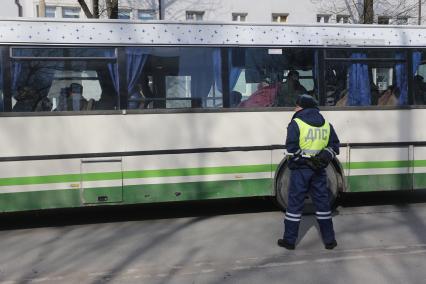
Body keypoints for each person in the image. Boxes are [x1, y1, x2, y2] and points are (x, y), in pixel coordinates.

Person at [278, 94, 340, 250]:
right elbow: (334, 147)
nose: (294, 108)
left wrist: (305, 160)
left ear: (302, 107)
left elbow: (291, 150)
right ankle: (330, 240)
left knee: (294, 206)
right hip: (319, 170)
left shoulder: (296, 123)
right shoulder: (326, 124)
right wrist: (322, 158)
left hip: (301, 170)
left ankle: (290, 241)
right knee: (323, 205)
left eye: (296, 106)